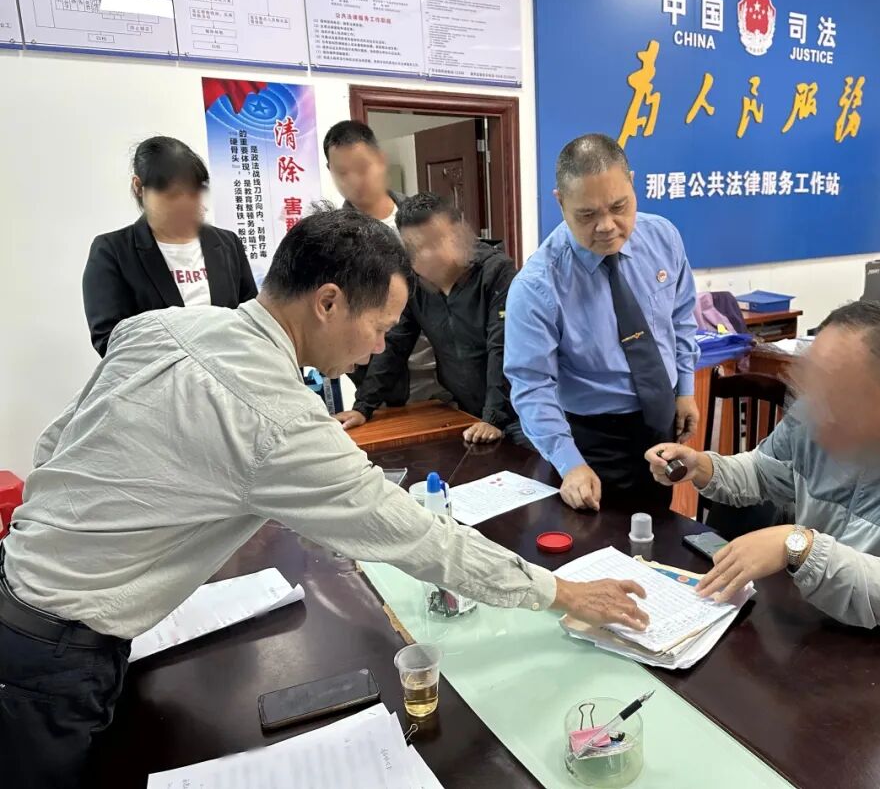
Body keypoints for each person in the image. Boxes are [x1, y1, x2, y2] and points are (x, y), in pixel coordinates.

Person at [0, 209, 649, 789]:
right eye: (380, 326)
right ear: (329, 302)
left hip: (20, 594)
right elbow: (419, 536)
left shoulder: (162, 327)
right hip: (50, 660)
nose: (379, 347)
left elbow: (55, 446)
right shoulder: (276, 417)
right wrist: (562, 593)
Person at [646, 300, 880, 642]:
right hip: (825, 627)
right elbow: (762, 472)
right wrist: (702, 466)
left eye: (842, 396)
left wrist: (799, 546)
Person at [505, 134, 700, 512]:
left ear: (632, 183)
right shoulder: (538, 285)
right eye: (587, 215)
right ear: (560, 202)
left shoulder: (663, 238)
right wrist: (570, 464)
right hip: (594, 441)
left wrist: (685, 388)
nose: (607, 225)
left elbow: (680, 317)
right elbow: (531, 386)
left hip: (663, 423)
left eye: (618, 206)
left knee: (658, 530)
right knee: (600, 539)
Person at [350, 193, 527, 444]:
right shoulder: (415, 284)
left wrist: (494, 418)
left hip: (518, 414)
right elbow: (395, 345)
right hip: (467, 411)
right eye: (414, 248)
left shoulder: (496, 273)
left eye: (432, 244)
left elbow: (503, 347)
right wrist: (363, 407)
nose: (423, 256)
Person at [82, 136, 257, 357]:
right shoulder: (112, 251)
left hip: (231, 372)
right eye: (172, 194)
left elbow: (250, 319)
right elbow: (111, 339)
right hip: (160, 377)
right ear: (139, 187)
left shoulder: (227, 244)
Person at [322, 119, 446, 413]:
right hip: (385, 384)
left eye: (362, 168)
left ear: (380, 159)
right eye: (342, 173)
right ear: (330, 171)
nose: (354, 181)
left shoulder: (427, 217)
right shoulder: (333, 240)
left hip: (449, 369)